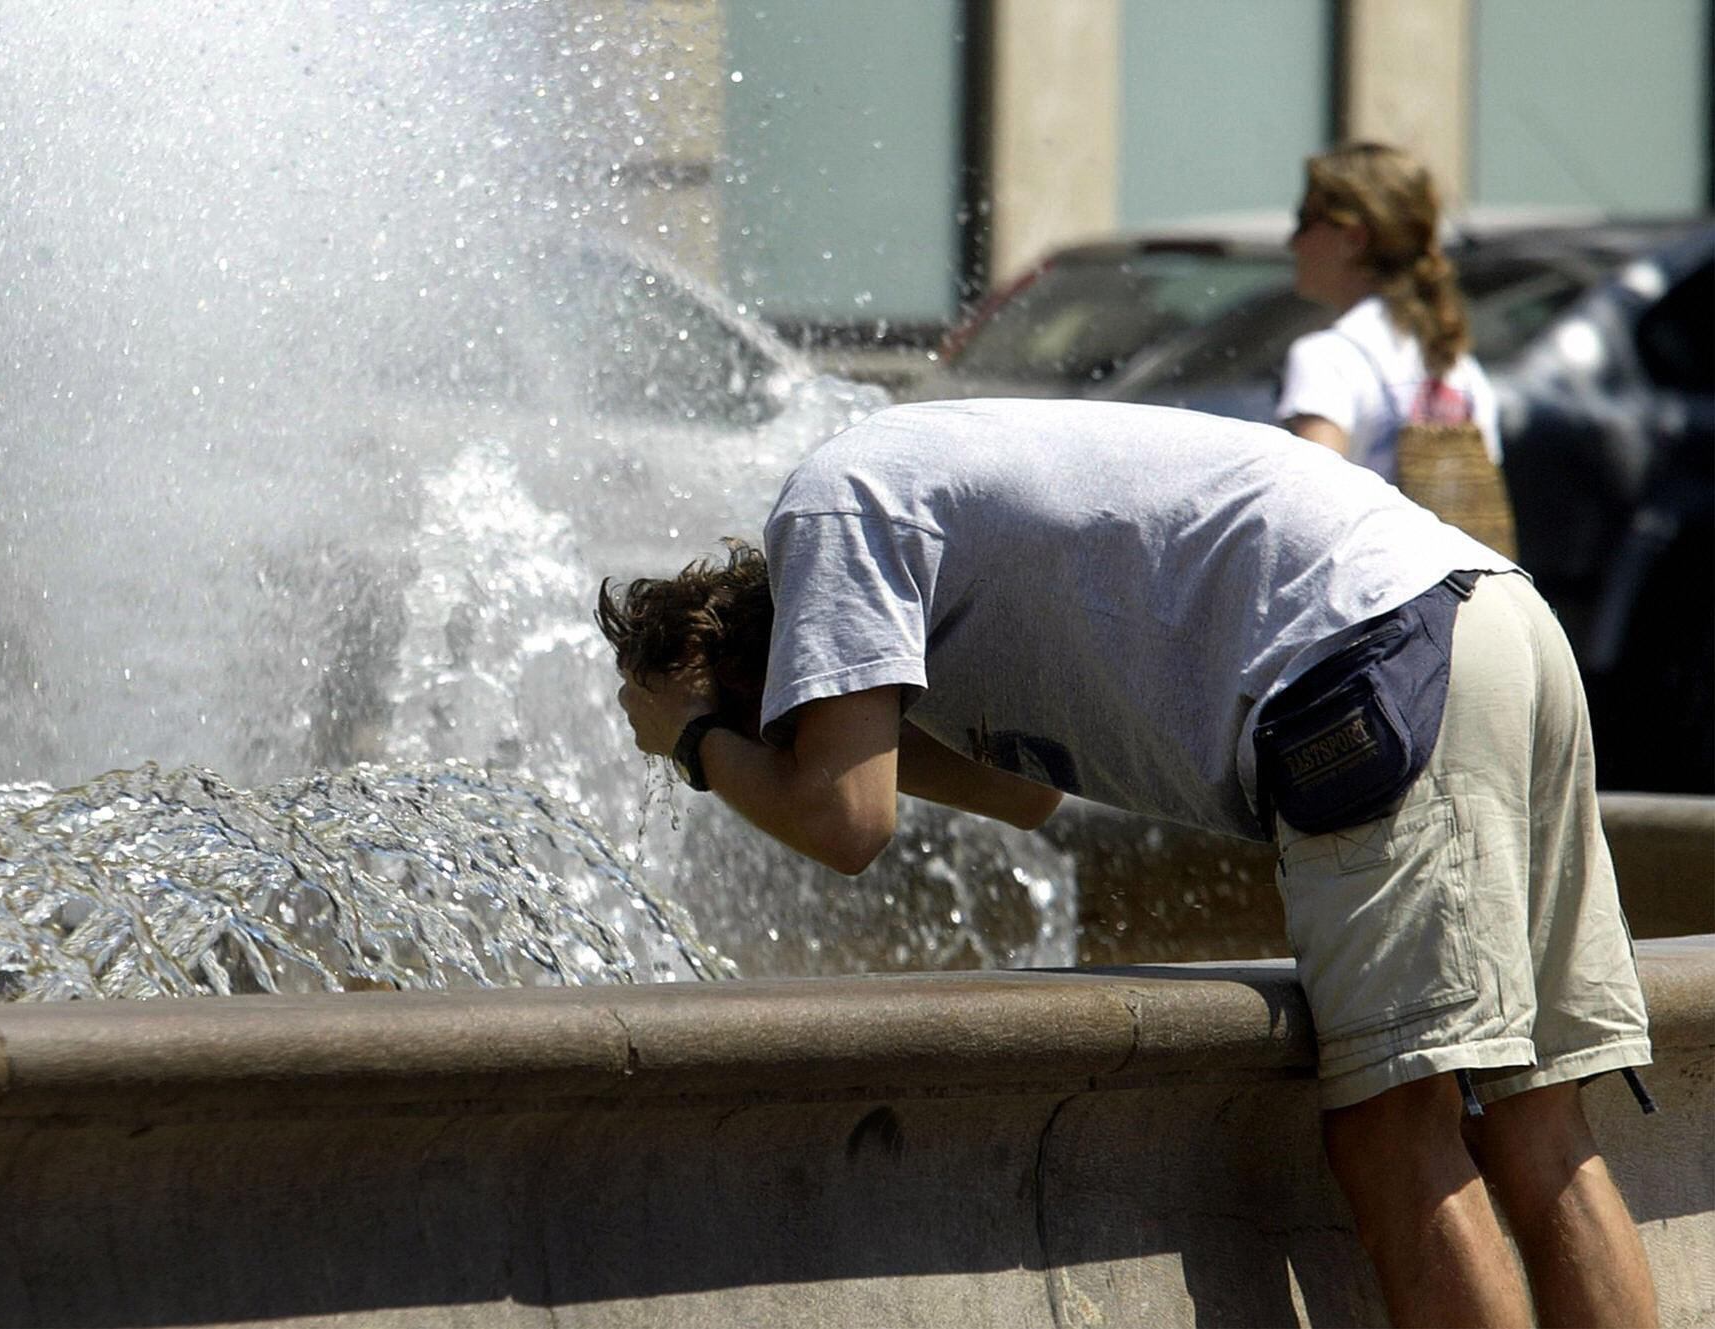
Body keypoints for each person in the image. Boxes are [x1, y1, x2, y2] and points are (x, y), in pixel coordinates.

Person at [598, 397, 1656, 1328]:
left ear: (751, 671)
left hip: (1367, 666)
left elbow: (844, 822)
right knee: (1536, 1117)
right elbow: (1023, 795)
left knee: (1396, 1133)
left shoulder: (824, 515)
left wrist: (694, 743)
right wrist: (804, 736)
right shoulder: (917, 535)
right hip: (1485, 614)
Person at [1279, 141, 1502, 484]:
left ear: (1353, 238)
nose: (1292, 241)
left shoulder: (1327, 358)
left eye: (1304, 220)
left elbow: (1310, 504)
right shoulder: (1458, 366)